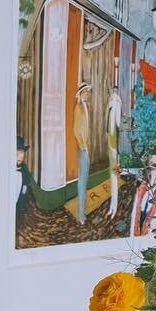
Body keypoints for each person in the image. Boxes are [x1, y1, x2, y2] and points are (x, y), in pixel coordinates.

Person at [72, 81, 91, 230]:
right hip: (82, 148)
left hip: (86, 147)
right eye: (84, 92)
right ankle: (80, 215)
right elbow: (76, 130)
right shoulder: (78, 108)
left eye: (87, 92)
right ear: (80, 94)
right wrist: (83, 145)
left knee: (85, 179)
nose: (87, 94)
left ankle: (82, 213)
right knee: (82, 180)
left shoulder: (85, 107)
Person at [106, 87, 122, 218]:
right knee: (111, 177)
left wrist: (118, 104)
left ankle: (115, 207)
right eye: (112, 94)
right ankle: (112, 206)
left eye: (114, 94)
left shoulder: (116, 106)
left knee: (114, 176)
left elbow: (118, 124)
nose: (112, 96)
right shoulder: (110, 106)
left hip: (115, 147)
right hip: (110, 145)